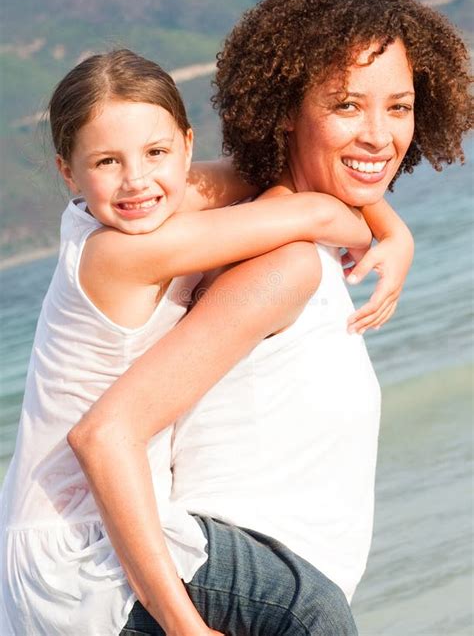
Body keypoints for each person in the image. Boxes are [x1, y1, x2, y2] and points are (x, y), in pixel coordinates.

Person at [64, 0, 471, 636]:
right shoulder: (283, 261)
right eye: (346, 104)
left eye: (397, 106)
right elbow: (111, 431)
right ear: (286, 106)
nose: (379, 134)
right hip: (246, 599)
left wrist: (390, 227)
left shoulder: (301, 239)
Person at [0, 46, 413, 636]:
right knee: (306, 609)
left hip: (65, 542)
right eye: (108, 161)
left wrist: (390, 227)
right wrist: (185, 628)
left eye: (156, 152)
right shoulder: (120, 250)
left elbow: (287, 175)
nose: (138, 179)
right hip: (76, 550)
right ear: (69, 173)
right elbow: (322, 216)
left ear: (187, 147)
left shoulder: (137, 207)